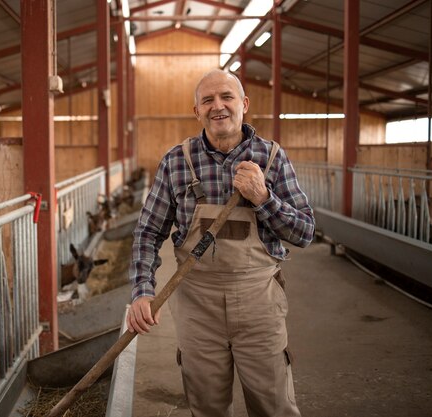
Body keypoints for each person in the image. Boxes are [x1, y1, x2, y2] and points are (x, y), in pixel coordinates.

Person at [126, 69, 315, 417]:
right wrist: (142, 290)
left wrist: (263, 197)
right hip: (197, 304)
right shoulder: (176, 162)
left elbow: (304, 232)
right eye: (207, 100)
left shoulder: (272, 158)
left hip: (259, 300)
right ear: (196, 111)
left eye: (226, 97)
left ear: (243, 104)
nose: (218, 106)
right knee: (207, 405)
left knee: (274, 405)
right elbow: (148, 232)